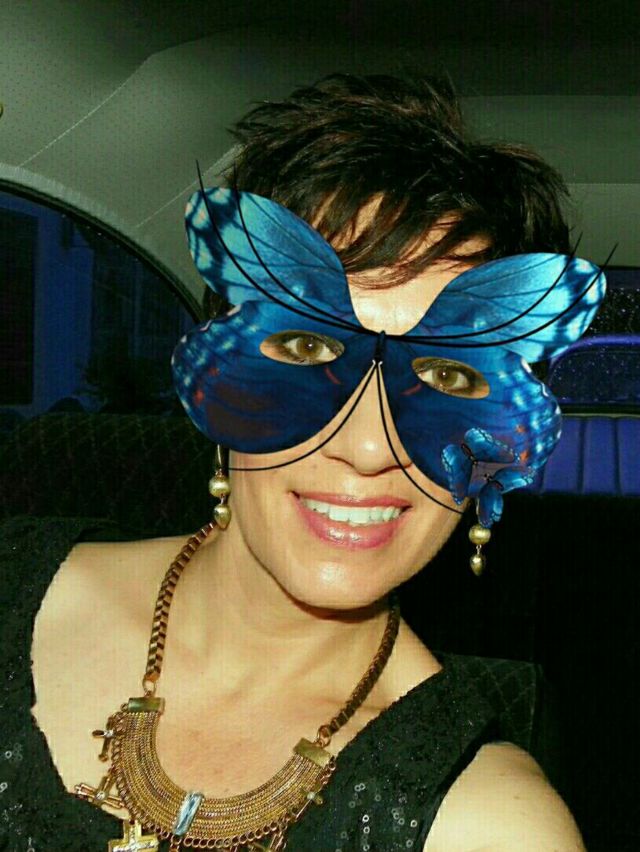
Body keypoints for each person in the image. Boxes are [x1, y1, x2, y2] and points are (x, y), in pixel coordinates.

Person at [0, 74, 603, 851]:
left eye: (448, 378)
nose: (368, 448)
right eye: (310, 347)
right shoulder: (11, 584)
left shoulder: (493, 825)